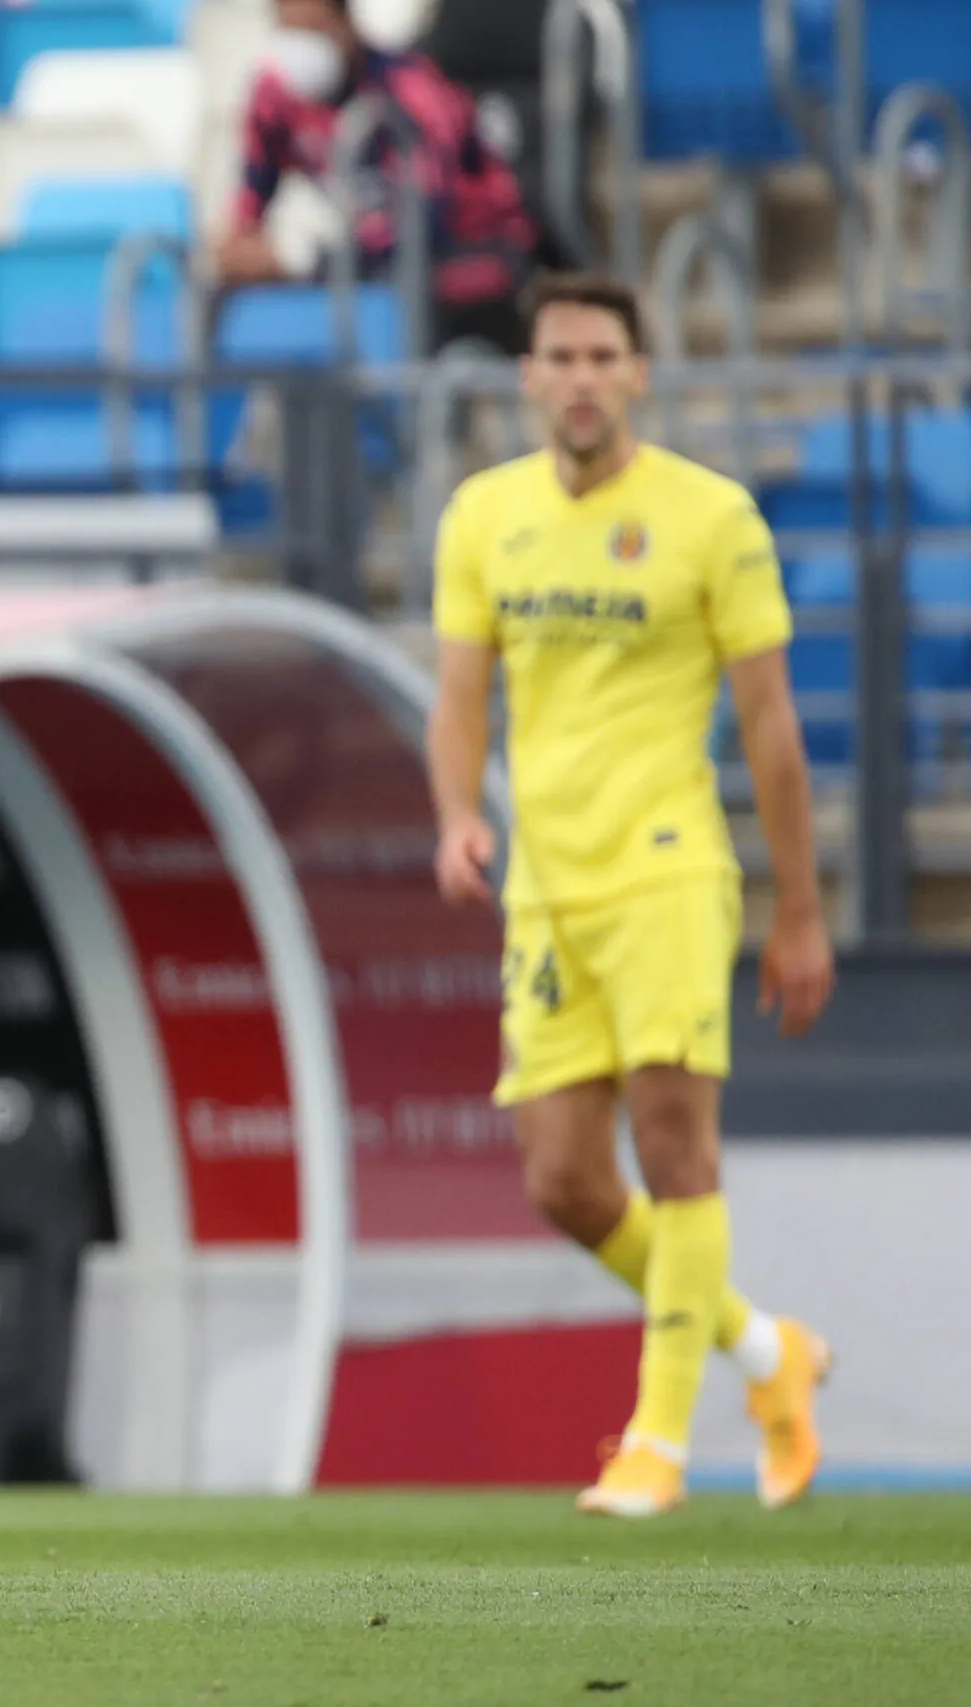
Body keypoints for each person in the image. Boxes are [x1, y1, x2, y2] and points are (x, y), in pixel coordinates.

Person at [425, 273, 836, 1518]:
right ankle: (770, 1356)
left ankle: (655, 1446)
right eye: (563, 354)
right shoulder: (482, 516)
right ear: (530, 378)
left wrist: (801, 908)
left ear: (640, 375)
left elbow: (769, 723)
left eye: (607, 353)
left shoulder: (713, 520)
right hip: (548, 889)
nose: (585, 375)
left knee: (673, 1150)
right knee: (560, 1179)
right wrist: (455, 814)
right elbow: (458, 694)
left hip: (666, 868)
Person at [217, 0, 540, 354]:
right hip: (370, 265)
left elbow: (421, 222)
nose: (301, 42)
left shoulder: (410, 90)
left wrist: (301, 260)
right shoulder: (277, 93)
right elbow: (252, 189)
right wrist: (241, 245)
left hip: (470, 254)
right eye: (289, 28)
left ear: (344, 23)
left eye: (313, 28)